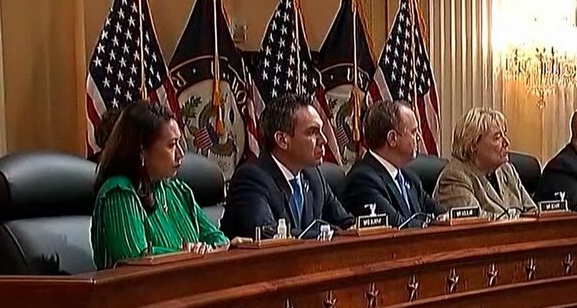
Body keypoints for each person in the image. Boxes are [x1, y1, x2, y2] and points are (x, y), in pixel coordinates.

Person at [90, 101, 232, 269]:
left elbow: (218, 238)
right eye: (171, 145)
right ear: (141, 150)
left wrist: (206, 250)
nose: (181, 154)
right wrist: (187, 254)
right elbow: (135, 260)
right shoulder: (120, 192)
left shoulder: (177, 190)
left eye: (179, 143)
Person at [220, 94, 354, 239]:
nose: (324, 140)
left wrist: (357, 228)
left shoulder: (313, 175)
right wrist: (330, 234)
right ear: (282, 140)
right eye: (312, 132)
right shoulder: (251, 178)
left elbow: (345, 223)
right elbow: (268, 233)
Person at [342, 100, 443, 228]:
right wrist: (433, 224)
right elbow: (398, 226)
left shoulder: (409, 177)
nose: (418, 138)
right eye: (413, 132)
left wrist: (447, 218)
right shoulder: (362, 180)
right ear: (392, 138)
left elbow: (439, 212)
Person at [433, 107, 537, 219]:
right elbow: (475, 221)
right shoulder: (455, 177)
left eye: (504, 135)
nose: (507, 142)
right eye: (497, 138)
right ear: (473, 145)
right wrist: (517, 220)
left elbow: (533, 212)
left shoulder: (507, 170)